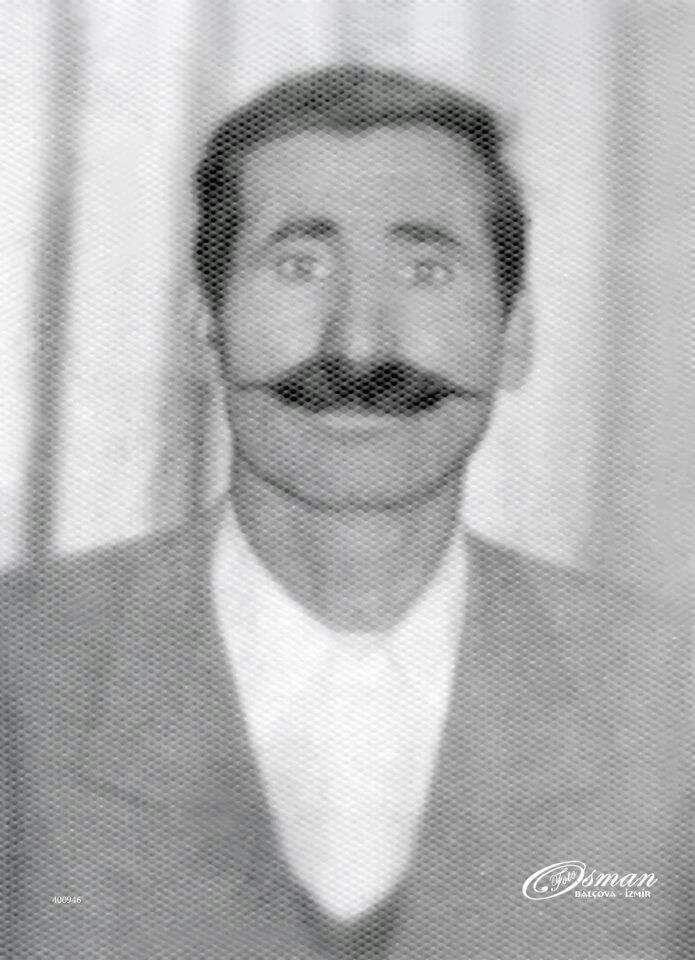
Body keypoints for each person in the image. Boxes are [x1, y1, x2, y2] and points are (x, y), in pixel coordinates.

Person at [1, 64, 691, 960]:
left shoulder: (668, 692)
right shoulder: (21, 668)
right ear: (205, 327)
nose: (359, 343)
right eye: (299, 265)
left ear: (513, 334)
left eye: (425, 269)